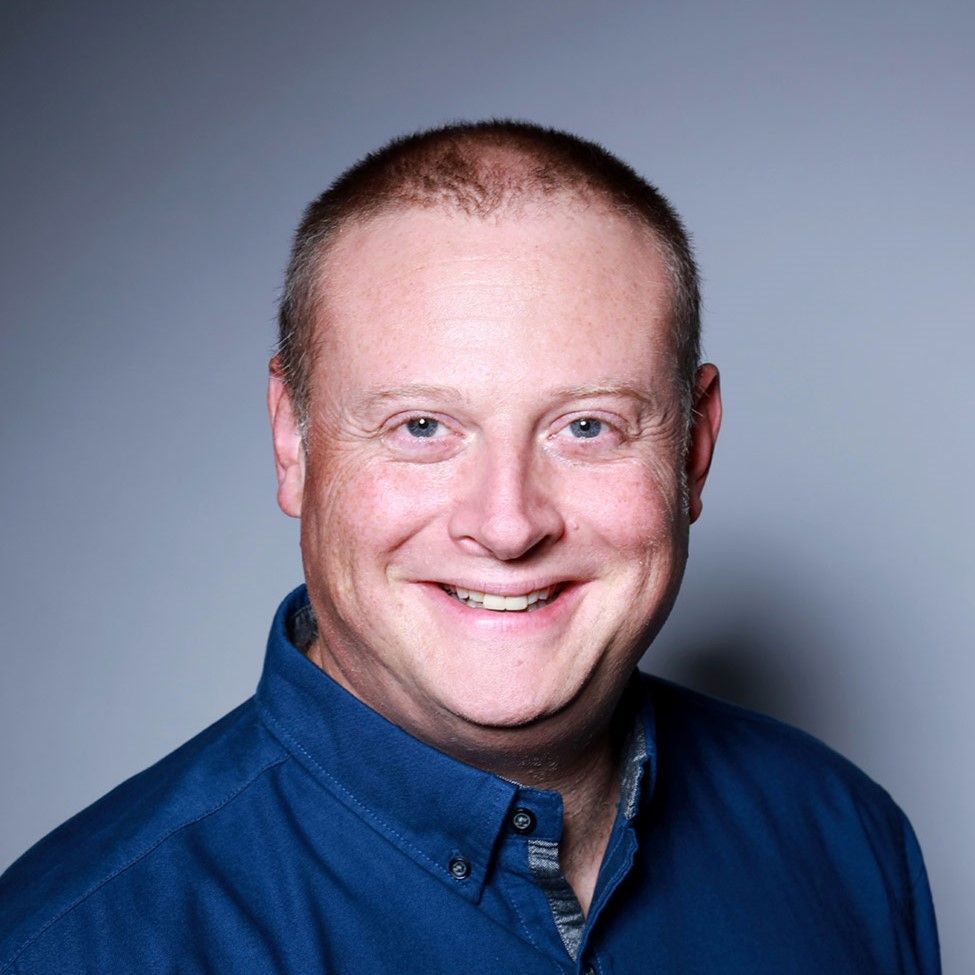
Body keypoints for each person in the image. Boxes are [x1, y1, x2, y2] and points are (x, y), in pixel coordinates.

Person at [0, 121, 939, 974]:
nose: (506, 524)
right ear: (293, 442)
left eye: (586, 426)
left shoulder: (844, 838)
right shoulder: (79, 946)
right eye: (421, 425)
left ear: (692, 448)